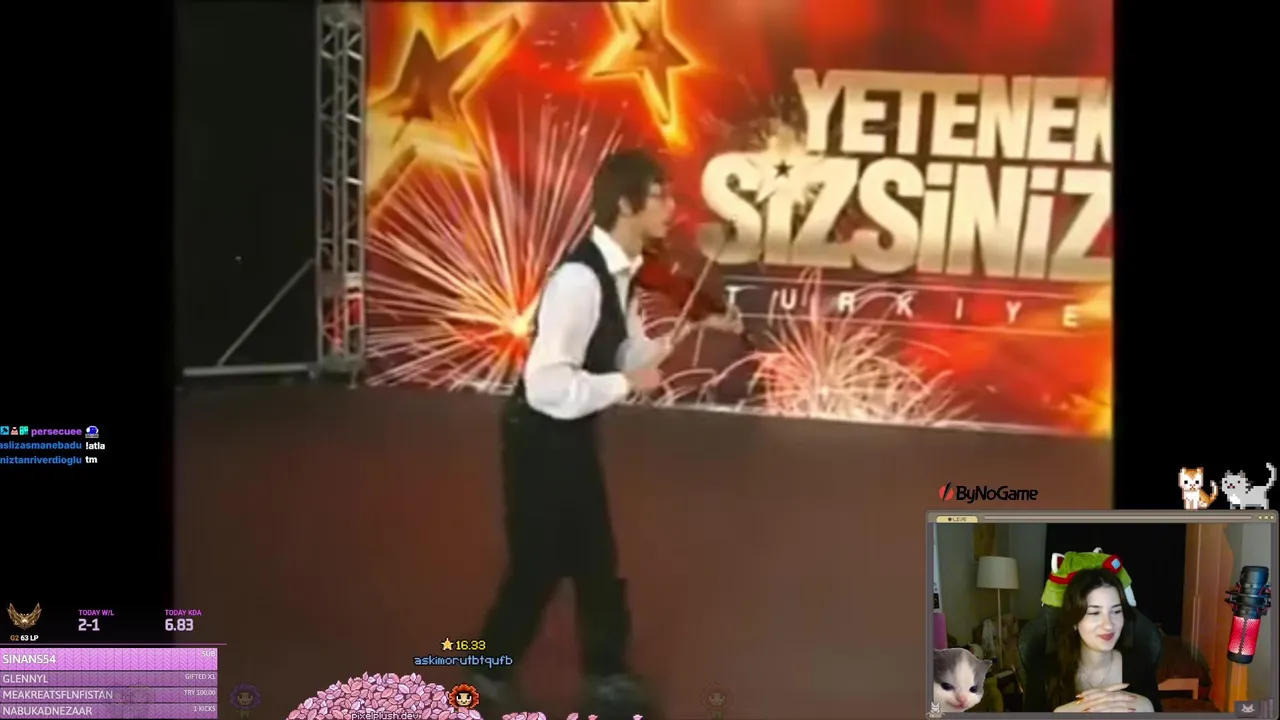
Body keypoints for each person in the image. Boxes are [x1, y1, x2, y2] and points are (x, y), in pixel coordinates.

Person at [468, 149, 743, 717]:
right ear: (625, 204)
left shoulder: (621, 273)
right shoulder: (578, 280)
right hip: (539, 437)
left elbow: (622, 349)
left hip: (570, 434)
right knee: (537, 564)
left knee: (596, 558)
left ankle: (607, 671)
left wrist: (677, 338)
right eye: (660, 196)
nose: (671, 207)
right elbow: (547, 385)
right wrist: (625, 383)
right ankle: (483, 670)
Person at [1023, 568, 1161, 713]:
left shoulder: (1140, 666)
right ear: (1074, 621)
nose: (1108, 625)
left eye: (1116, 611)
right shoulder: (1043, 670)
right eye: (1095, 613)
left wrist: (1148, 707)